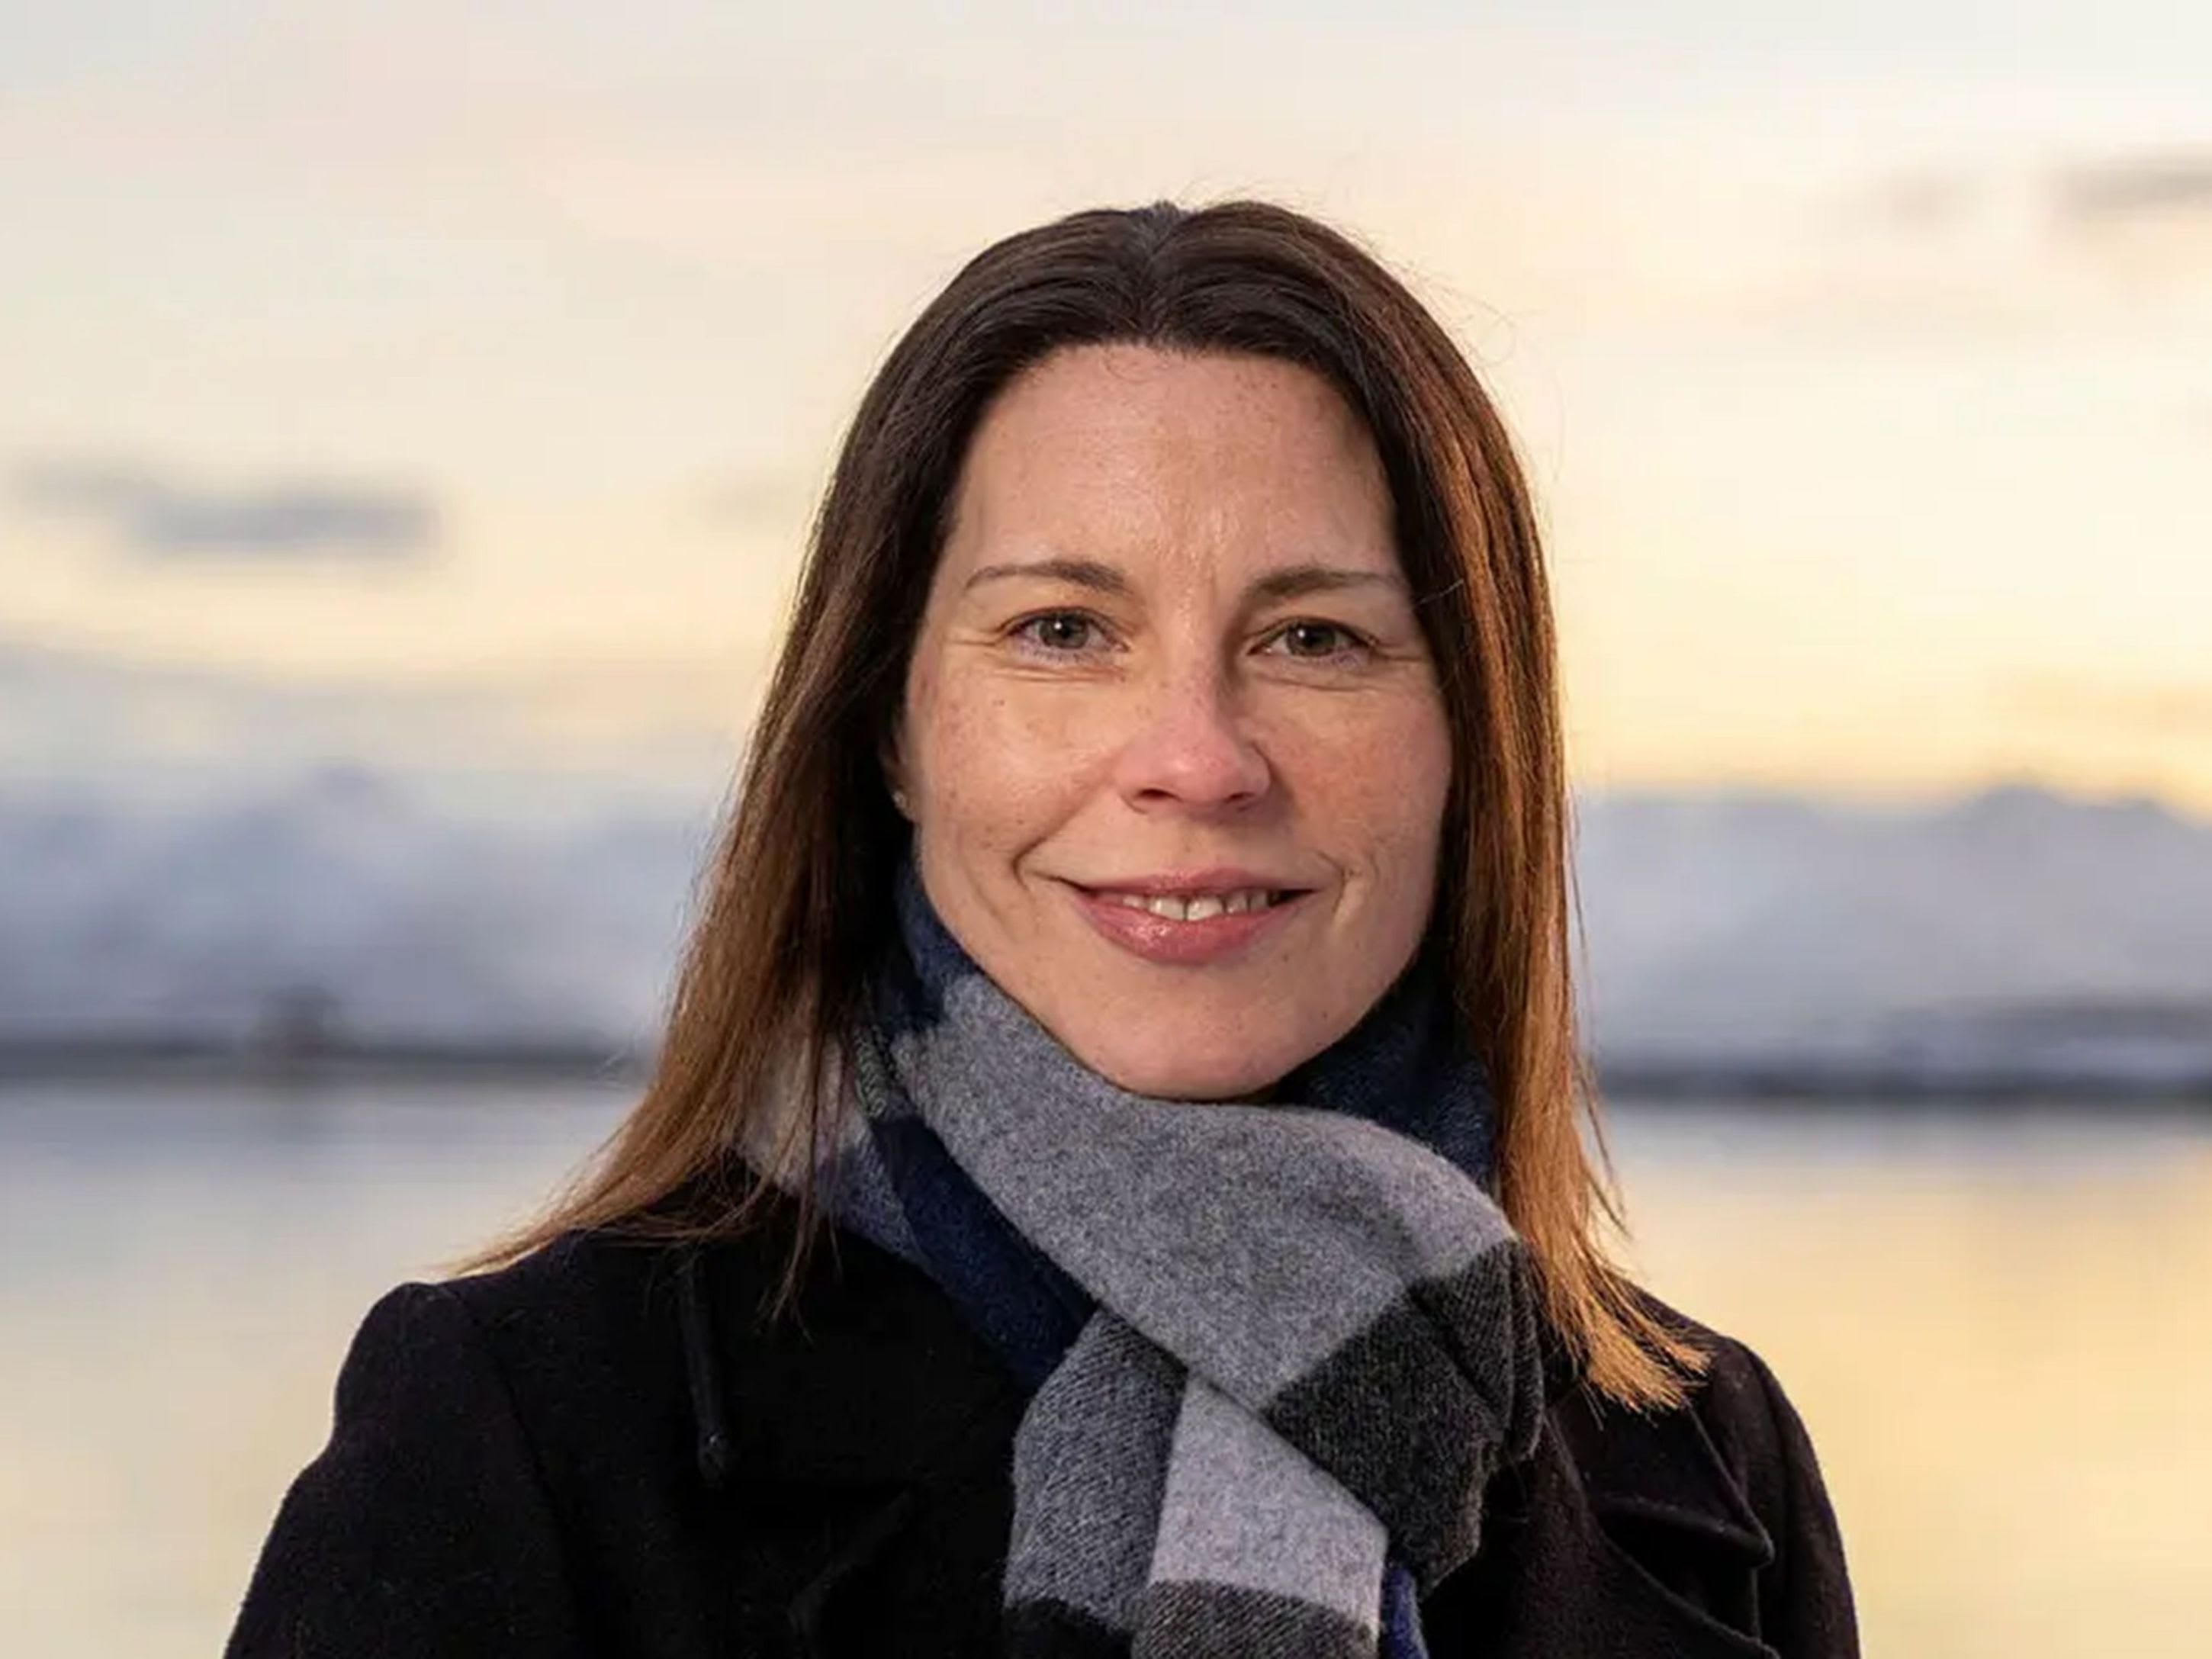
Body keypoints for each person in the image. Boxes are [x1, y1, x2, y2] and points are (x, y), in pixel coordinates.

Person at [225, 198, 1859, 1659]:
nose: (1196, 759)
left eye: (1313, 637)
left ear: (1469, 744)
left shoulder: (1706, 1459)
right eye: (1064, 629)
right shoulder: (521, 1428)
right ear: (890, 724)